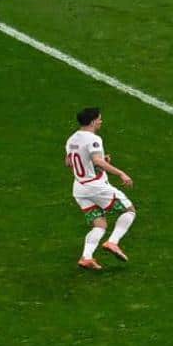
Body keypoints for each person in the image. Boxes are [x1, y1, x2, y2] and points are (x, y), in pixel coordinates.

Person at [64, 108, 136, 270]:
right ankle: (113, 242)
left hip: (79, 188)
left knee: (99, 225)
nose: (101, 121)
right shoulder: (93, 139)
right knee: (129, 210)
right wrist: (121, 173)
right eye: (99, 119)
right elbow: (97, 161)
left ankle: (86, 257)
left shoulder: (71, 139)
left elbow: (69, 163)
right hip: (95, 186)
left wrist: (99, 161)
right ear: (92, 122)